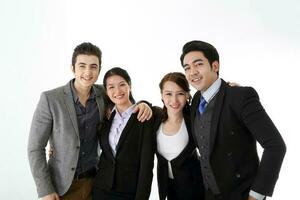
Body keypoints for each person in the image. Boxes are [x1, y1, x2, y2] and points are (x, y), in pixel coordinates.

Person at [27, 43, 152, 200]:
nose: (88, 72)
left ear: (99, 69)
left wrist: (144, 103)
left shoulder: (103, 93)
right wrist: (45, 189)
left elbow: (123, 98)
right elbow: (35, 148)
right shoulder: (51, 99)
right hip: (62, 187)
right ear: (73, 68)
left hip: (96, 183)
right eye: (82, 66)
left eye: (93, 66)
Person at [180, 40, 286, 200]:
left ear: (215, 66)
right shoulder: (195, 100)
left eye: (198, 64)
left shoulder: (240, 96)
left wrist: (256, 195)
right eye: (187, 68)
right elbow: (173, 111)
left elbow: (275, 145)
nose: (192, 72)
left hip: (241, 194)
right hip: (209, 194)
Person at [92, 67, 155, 200]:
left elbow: (147, 165)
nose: (117, 91)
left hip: (129, 192)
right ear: (107, 92)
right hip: (101, 189)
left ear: (129, 86)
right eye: (111, 87)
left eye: (122, 85)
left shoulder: (143, 116)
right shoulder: (106, 116)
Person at [154, 72, 204, 200]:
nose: (174, 100)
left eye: (180, 93)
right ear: (162, 95)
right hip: (168, 189)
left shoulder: (194, 119)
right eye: (169, 94)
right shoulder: (155, 119)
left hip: (196, 188)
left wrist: (229, 88)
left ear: (187, 95)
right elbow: (140, 107)